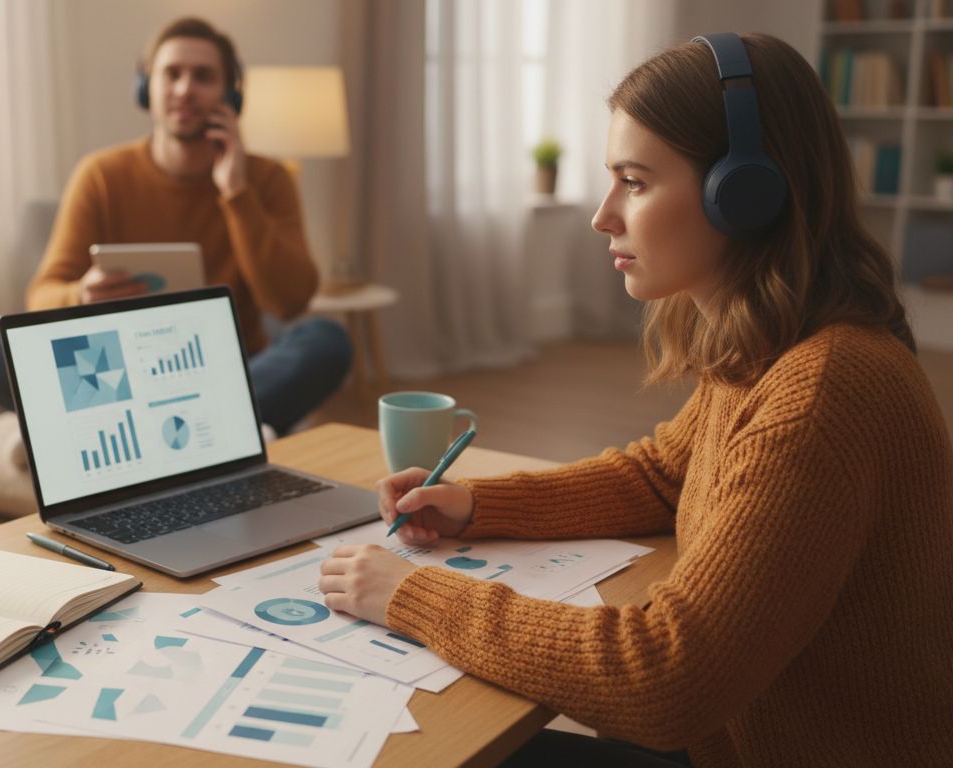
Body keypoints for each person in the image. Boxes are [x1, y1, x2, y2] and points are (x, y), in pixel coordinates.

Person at [318, 33, 953, 767]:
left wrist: (413, 595)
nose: (603, 215)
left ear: (746, 194)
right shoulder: (771, 347)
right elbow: (663, 474)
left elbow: (664, 678)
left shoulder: (823, 389)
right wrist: (477, 506)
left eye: (636, 181)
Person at [0, 17, 351, 435]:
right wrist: (80, 293)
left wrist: (236, 194)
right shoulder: (100, 174)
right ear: (146, 88)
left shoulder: (266, 178)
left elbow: (291, 300)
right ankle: (218, 426)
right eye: (172, 74)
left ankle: (111, 430)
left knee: (326, 341)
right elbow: (41, 295)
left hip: (228, 368)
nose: (185, 89)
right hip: (117, 376)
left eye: (203, 76)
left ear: (231, 95)